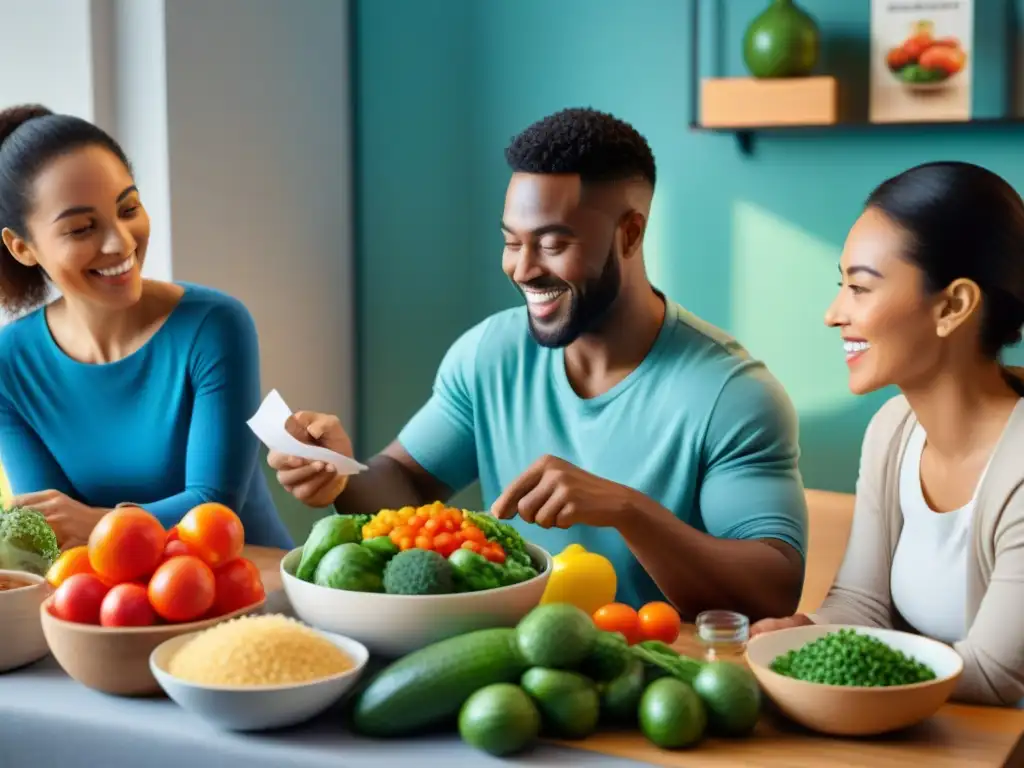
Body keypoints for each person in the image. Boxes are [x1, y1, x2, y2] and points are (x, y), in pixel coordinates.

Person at [269, 107, 808, 620]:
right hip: (512, 661)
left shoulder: (732, 395)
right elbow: (406, 483)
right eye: (510, 242)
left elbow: (772, 591)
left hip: (655, 667)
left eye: (552, 244)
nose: (522, 269)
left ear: (630, 234)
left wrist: (626, 510)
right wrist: (340, 475)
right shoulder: (489, 354)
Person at [750, 161, 1024, 707]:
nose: (834, 314)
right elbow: (860, 604)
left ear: (954, 306)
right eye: (841, 285)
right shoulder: (893, 429)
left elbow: (996, 676)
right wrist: (806, 633)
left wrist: (839, 666)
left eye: (859, 288)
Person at [0, 104, 293, 551]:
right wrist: (88, 527)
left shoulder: (214, 326)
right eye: (81, 228)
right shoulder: (10, 363)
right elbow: (51, 528)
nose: (121, 242)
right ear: (22, 247)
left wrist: (95, 524)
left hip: (246, 587)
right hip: (109, 603)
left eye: (128, 207)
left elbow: (214, 507)